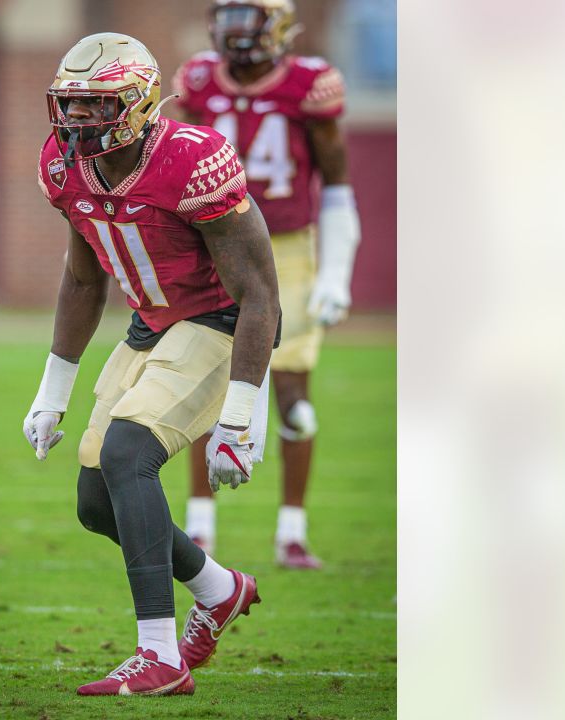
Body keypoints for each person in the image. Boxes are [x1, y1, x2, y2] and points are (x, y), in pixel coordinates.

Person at [24, 32, 279, 696]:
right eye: (71, 106)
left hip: (220, 322)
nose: (78, 122)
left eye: (97, 105)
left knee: (128, 452)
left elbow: (261, 294)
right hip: (152, 326)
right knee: (96, 501)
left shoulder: (193, 161)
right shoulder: (62, 164)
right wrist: (53, 391)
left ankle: (159, 654)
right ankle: (219, 590)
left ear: (138, 104)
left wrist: (240, 417)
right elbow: (83, 282)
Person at [174, 0, 362, 569]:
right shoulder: (200, 80)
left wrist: (335, 272)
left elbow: (337, 186)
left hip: (287, 247)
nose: (234, 31)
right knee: (209, 386)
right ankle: (200, 526)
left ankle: (292, 532)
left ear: (277, 25)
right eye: (227, 17)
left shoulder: (308, 85)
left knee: (292, 399)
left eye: (246, 17)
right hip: (217, 245)